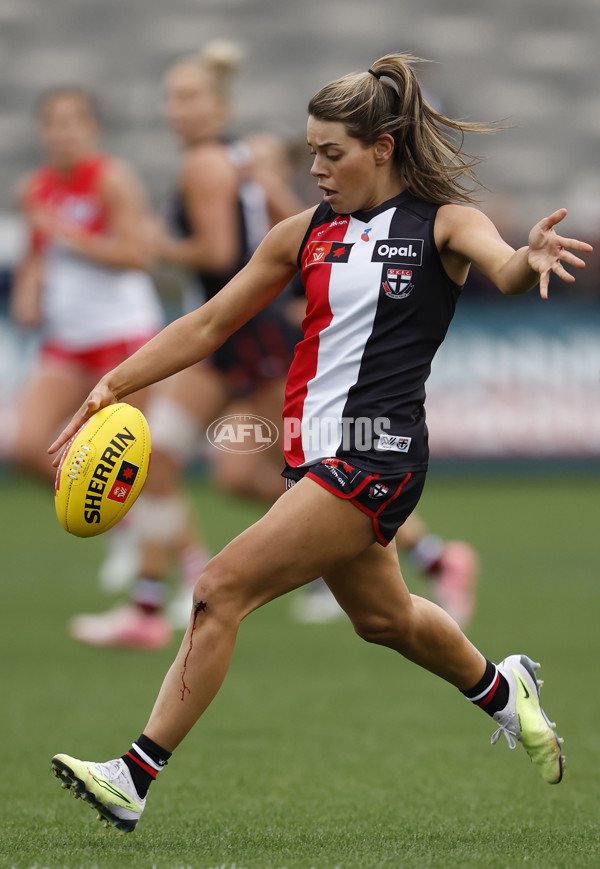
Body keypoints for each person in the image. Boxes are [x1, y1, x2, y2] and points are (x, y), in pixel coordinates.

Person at [48, 53, 592, 832]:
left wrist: (524, 258)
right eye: (310, 151)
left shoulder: (441, 220)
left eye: (330, 153)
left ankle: (132, 776)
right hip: (312, 455)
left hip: (376, 455)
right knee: (388, 620)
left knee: (218, 588)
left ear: (382, 146)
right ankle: (507, 690)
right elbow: (206, 325)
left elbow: (503, 267)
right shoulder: (302, 233)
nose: (315, 168)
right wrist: (113, 385)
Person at [70, 42, 304, 649]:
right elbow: (288, 222)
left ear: (218, 104)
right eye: (172, 98)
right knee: (160, 458)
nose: (178, 109)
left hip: (246, 336)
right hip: (236, 334)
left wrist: (158, 245)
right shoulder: (238, 158)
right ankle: (149, 607)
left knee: (290, 477)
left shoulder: (204, 163)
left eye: (190, 97)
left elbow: (220, 255)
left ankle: (398, 548)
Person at [9, 87, 163, 483]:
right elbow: (35, 255)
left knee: (133, 464)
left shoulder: (111, 179)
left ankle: (180, 547)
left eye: (71, 123)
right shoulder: (35, 188)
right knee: (27, 445)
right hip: (69, 336)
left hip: (121, 332)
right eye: (53, 124)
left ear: (91, 128)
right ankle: (110, 525)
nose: (62, 133)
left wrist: (69, 233)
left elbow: (138, 255)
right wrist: (26, 295)